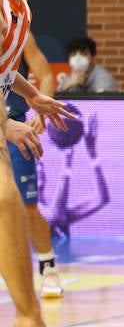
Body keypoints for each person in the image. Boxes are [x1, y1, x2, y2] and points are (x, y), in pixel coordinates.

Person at [0, 0, 72, 327]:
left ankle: (29, 313)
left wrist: (29, 95)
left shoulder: (21, 5)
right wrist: (8, 124)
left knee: (8, 204)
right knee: (7, 201)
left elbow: (5, 65)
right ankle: (29, 313)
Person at [9, 36, 64, 298]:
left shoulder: (20, 27)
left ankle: (48, 268)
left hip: (14, 123)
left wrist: (41, 108)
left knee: (27, 205)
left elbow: (44, 74)